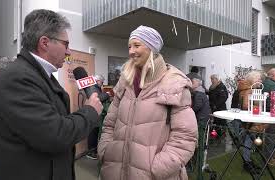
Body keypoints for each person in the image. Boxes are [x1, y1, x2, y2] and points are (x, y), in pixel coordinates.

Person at [0, 9, 103, 180]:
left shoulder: (37, 75)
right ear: (44, 42)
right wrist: (90, 110)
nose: (69, 52)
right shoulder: (17, 78)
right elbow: (56, 135)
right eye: (66, 44)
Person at [98, 25, 198, 180]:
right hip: (115, 171)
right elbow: (109, 124)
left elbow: (185, 137)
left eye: (137, 45)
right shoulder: (124, 82)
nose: (131, 51)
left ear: (152, 48)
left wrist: (157, 169)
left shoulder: (173, 84)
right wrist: (105, 151)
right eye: (129, 46)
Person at [234, 71, 265, 174]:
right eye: (258, 79)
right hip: (249, 121)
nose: (260, 81)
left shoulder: (248, 89)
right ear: (252, 80)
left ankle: (248, 162)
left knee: (248, 141)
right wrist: (259, 107)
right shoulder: (249, 90)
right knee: (248, 141)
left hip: (248, 120)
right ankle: (247, 163)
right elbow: (246, 106)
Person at [190, 77, 210, 180]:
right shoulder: (202, 92)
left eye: (191, 83)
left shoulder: (198, 94)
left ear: (196, 84)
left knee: (199, 141)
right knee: (200, 141)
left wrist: (188, 111)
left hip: (201, 120)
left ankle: (197, 163)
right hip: (204, 118)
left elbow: (197, 106)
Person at [86, 74, 110, 160]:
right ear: (98, 81)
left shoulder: (95, 87)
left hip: (95, 113)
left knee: (95, 132)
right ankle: (91, 152)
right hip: (93, 113)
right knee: (93, 132)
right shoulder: (93, 87)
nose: (102, 84)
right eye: (102, 82)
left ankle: (93, 151)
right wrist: (106, 94)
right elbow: (98, 98)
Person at [262, 68, 275, 166]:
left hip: (266, 113)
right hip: (273, 114)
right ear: (271, 75)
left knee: (269, 136)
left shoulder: (265, 82)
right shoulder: (273, 84)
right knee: (272, 136)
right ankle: (269, 159)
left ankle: (271, 155)